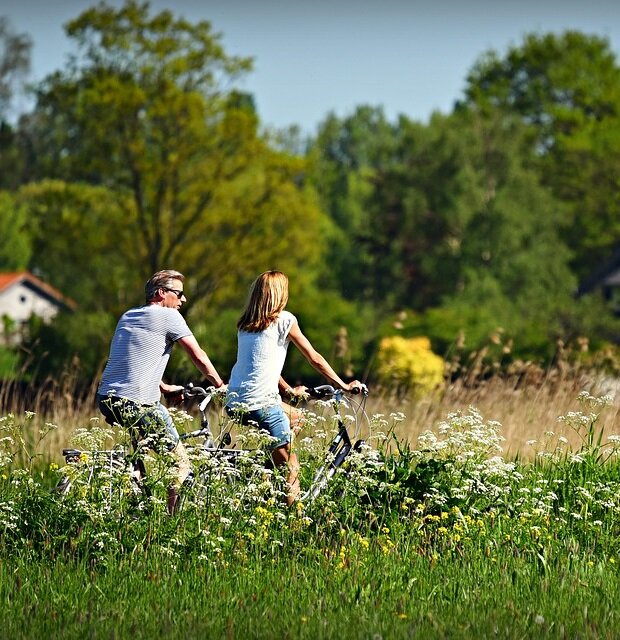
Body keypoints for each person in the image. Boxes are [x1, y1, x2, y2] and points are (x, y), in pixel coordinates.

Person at [225, 270, 366, 506]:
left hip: (235, 400)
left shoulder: (245, 325)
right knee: (292, 467)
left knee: (297, 416)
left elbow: (260, 364)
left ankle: (268, 469)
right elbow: (314, 358)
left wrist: (288, 390)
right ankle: (294, 523)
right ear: (280, 294)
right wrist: (343, 385)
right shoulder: (285, 320)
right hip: (262, 403)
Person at [97, 269, 226, 514]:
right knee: (180, 464)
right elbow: (197, 355)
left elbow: (133, 360)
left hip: (106, 398)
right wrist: (220, 385)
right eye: (178, 294)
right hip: (137, 402)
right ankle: (169, 523)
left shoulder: (128, 315)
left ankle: (137, 509)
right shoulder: (168, 317)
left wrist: (164, 386)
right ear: (161, 294)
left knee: (138, 458)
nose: (183, 300)